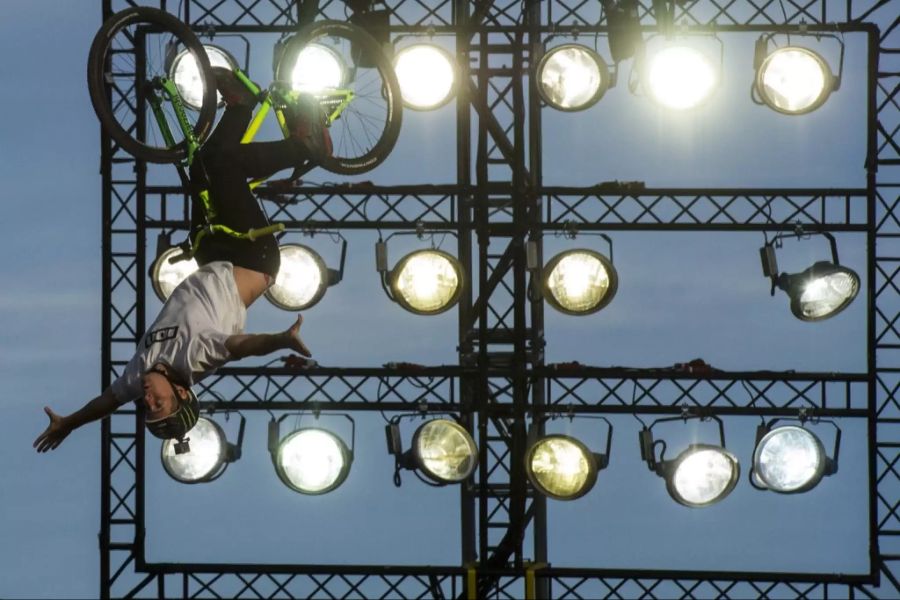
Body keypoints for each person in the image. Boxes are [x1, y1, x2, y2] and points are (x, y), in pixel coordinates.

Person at [33, 68, 332, 452]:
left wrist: (70, 423)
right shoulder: (194, 359)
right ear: (183, 393)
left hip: (213, 258)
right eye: (160, 404)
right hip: (252, 259)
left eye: (147, 409)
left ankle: (240, 105)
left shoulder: (138, 373)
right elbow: (242, 346)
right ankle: (306, 148)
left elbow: (106, 402)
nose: (148, 400)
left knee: (202, 167)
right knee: (226, 168)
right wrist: (279, 341)